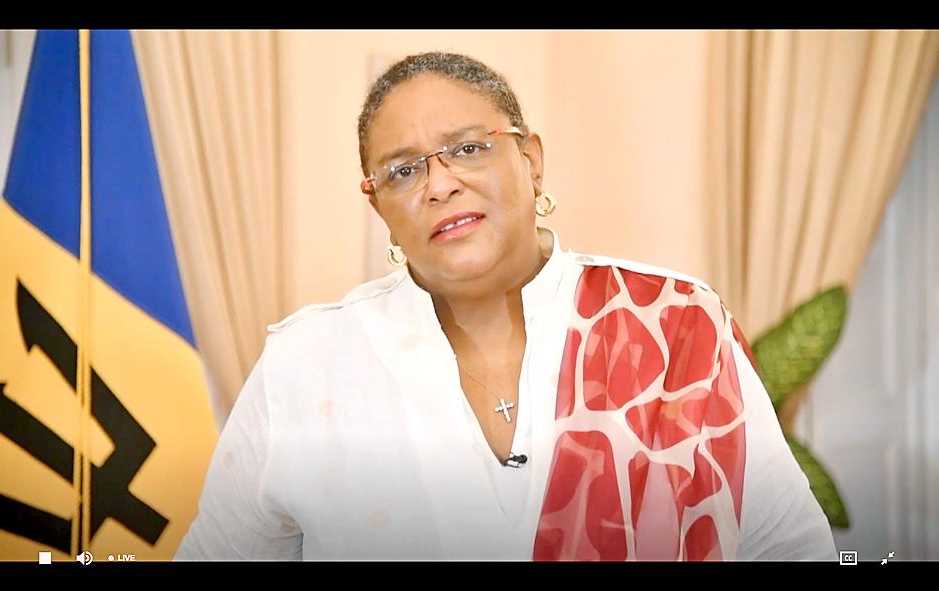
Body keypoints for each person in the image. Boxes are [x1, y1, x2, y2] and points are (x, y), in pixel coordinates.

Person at [176, 51, 837, 561]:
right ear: (377, 204)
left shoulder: (676, 324)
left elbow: (789, 549)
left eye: (467, 148)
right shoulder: (308, 364)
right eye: (403, 169)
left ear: (530, 159)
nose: (440, 183)